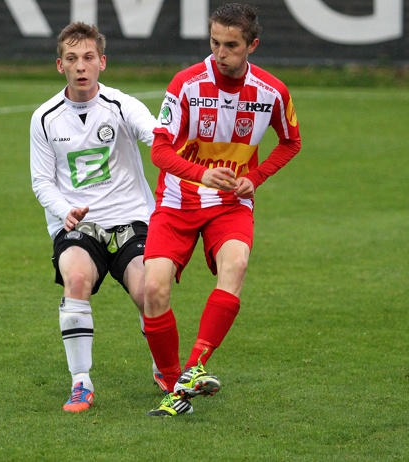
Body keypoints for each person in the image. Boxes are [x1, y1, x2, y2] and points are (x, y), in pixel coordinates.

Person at [143, 3, 302, 417]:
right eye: (214, 42)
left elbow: (290, 142)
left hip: (230, 203)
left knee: (237, 265)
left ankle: (193, 370)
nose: (219, 53)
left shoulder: (272, 92)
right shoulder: (185, 84)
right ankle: (172, 376)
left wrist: (258, 176)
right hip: (178, 200)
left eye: (231, 45)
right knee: (153, 290)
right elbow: (159, 150)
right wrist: (200, 173)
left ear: (252, 45)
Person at [30, 22, 164, 413]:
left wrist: (168, 145)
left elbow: (153, 135)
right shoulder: (45, 118)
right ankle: (81, 383)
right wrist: (63, 211)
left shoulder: (123, 105)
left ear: (102, 62)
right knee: (75, 278)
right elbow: (41, 181)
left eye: (88, 57)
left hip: (130, 218)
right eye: (72, 59)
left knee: (147, 291)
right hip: (77, 223)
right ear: (60, 66)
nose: (81, 66)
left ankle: (164, 368)